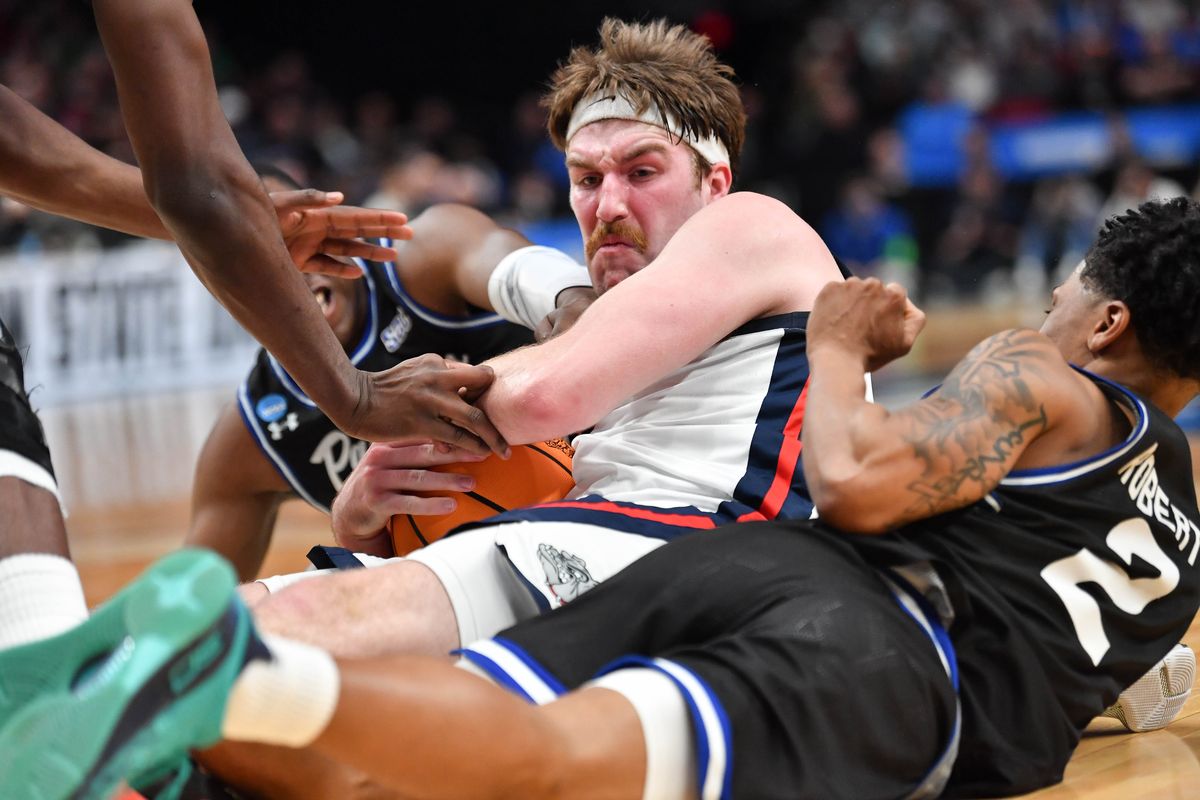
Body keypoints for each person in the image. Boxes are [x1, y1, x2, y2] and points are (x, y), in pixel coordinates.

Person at [4, 196, 1199, 799]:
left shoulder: (1038, 376)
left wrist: (839, 347)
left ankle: (203, 708)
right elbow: (880, 498)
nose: (1042, 316)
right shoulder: (1179, 530)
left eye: (1061, 292)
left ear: (1107, 319)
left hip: (757, 565)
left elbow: (860, 480)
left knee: (422, 744)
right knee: (549, 755)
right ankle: (227, 673)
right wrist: (828, 340)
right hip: (873, 663)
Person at [2, 0, 507, 452]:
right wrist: (354, 396)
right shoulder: (248, 428)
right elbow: (196, 186)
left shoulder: (436, 246)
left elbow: (27, 151)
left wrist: (243, 221)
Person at [186, 167, 555, 581]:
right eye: (251, 258)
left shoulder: (419, 256)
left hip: (595, 497)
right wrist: (354, 528)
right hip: (456, 587)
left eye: (290, 236)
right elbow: (198, 608)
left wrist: (565, 294)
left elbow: (536, 277)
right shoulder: (257, 432)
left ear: (332, 224)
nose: (282, 266)